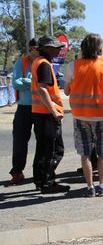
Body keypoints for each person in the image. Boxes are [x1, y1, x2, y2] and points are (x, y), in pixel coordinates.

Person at [63, 33, 103, 197]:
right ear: (99, 48)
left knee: (85, 153)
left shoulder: (73, 66)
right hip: (101, 116)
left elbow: (66, 91)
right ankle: (102, 186)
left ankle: (90, 188)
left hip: (80, 116)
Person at [31, 36, 70, 194]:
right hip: (47, 114)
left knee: (44, 149)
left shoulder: (39, 62)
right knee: (53, 150)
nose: (59, 50)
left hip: (40, 112)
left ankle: (42, 181)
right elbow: (42, 89)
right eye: (56, 47)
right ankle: (47, 182)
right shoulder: (44, 64)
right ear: (47, 48)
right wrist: (54, 111)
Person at [9, 38, 39, 184]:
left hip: (41, 107)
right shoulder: (22, 62)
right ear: (31, 49)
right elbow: (16, 82)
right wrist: (33, 82)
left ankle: (41, 172)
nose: (40, 52)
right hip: (24, 107)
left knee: (44, 142)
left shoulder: (44, 62)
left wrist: (26, 81)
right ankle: (17, 171)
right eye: (38, 49)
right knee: (20, 140)